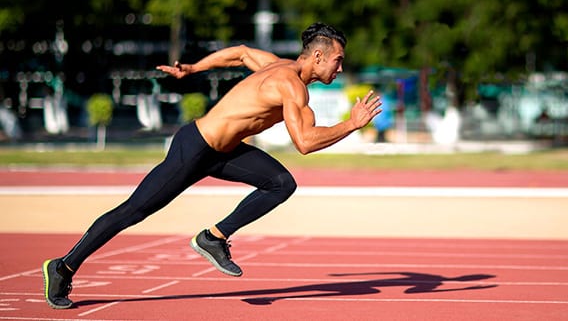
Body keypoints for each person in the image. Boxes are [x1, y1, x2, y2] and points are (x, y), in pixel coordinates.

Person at [42, 22, 381, 309]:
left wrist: (193, 68)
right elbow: (305, 143)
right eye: (337, 61)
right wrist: (352, 124)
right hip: (195, 148)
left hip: (225, 152)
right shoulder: (289, 84)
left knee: (281, 182)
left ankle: (213, 237)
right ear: (318, 56)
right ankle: (64, 266)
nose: (339, 69)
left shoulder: (276, 65)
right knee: (133, 211)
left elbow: (240, 52)